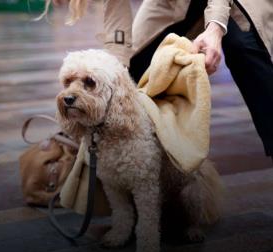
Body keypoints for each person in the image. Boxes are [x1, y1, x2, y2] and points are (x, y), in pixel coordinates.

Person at [51, 0, 273, 162]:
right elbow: (116, 17)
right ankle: (134, 161)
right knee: (130, 66)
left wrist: (215, 27)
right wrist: (115, 66)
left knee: (243, 48)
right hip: (174, 3)